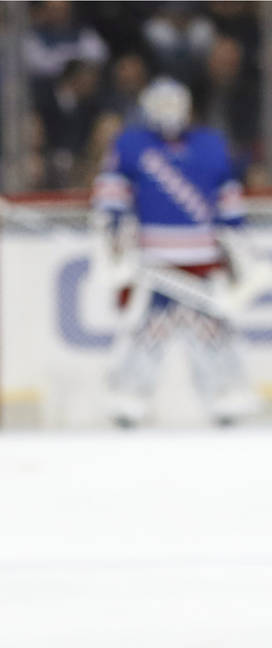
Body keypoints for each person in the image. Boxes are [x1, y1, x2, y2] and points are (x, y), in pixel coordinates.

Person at [91, 76, 259, 426]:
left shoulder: (210, 144)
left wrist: (235, 240)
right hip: (155, 257)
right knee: (150, 328)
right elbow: (112, 190)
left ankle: (224, 393)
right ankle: (130, 396)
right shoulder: (131, 143)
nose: (169, 114)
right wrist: (109, 227)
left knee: (210, 328)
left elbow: (227, 195)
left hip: (201, 257)